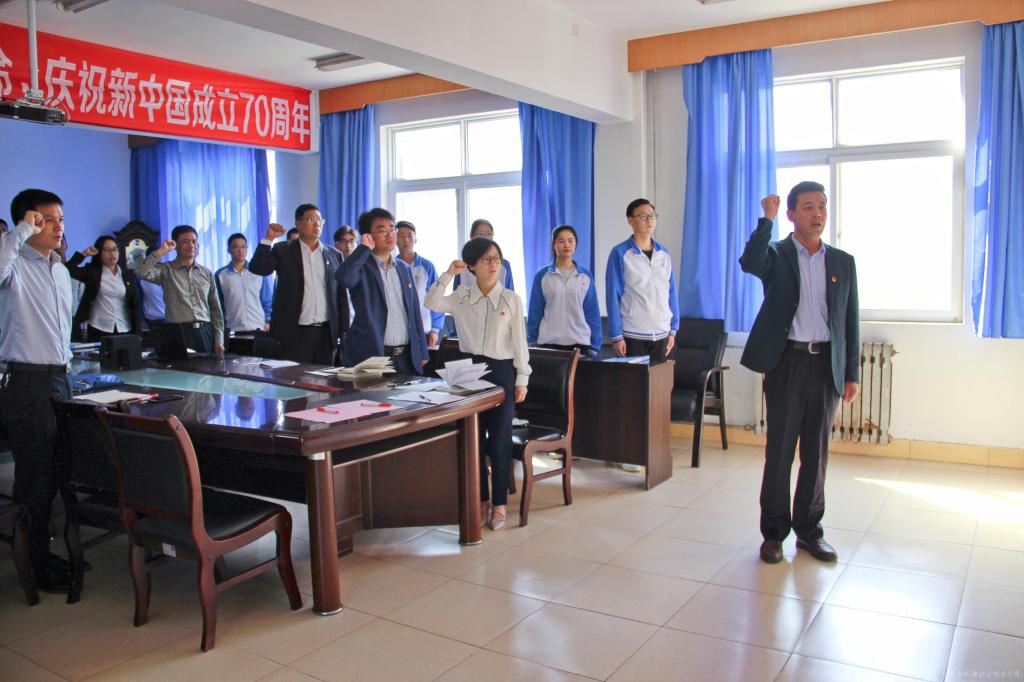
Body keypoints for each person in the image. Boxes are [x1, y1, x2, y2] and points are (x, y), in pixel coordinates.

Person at [739, 182, 860, 565]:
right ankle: (773, 534)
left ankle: (810, 531)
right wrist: (766, 220)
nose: (817, 213)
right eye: (808, 207)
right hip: (786, 363)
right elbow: (750, 262)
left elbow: (849, 321)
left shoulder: (842, 262)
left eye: (821, 205)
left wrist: (851, 372)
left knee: (816, 454)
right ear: (792, 214)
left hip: (825, 366)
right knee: (779, 453)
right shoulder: (776, 254)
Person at [425, 237, 530, 530]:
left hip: (502, 371)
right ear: (471, 266)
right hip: (469, 370)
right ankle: (480, 500)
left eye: (497, 258)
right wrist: (449, 274)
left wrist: (522, 378)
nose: (494, 264)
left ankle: (499, 504)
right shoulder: (462, 296)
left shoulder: (510, 298)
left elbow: (520, 344)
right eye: (486, 259)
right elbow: (431, 302)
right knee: (473, 437)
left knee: (499, 438)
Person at [0, 189, 75, 592]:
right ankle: (33, 564)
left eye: (60, 218)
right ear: (28, 222)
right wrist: (20, 232)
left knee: (59, 470)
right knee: (35, 476)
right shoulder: (12, 265)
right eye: (46, 219)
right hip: (26, 380)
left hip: (60, 378)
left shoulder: (60, 270)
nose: (57, 226)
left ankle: (48, 552)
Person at [249, 203, 348, 364]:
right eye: (310, 219)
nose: (317, 224)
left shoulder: (334, 254)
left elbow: (340, 295)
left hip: (326, 334)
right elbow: (258, 268)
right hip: (294, 335)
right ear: (298, 223)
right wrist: (269, 238)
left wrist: (343, 332)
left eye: (319, 220)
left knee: (324, 379)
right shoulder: (283, 250)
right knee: (294, 377)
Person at [336, 208, 428, 374]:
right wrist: (363, 248)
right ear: (368, 236)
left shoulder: (404, 268)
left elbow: (414, 311)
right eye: (382, 230)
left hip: (406, 357)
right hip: (373, 355)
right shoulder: (361, 266)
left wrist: (421, 349)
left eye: (392, 229)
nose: (390, 234)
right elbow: (344, 278)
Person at [606, 198, 679, 361]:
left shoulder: (664, 253)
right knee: (633, 378)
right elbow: (613, 296)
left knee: (661, 378)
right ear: (630, 220)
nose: (649, 220)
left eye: (653, 216)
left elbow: (671, 292)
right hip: (633, 335)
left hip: (663, 335)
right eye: (643, 216)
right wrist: (616, 336)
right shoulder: (620, 253)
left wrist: (673, 330)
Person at [135, 224, 225, 354]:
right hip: (178, 332)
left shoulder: (206, 273)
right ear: (176, 245)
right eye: (185, 242)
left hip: (204, 331)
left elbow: (216, 309)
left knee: (207, 367)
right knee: (180, 367)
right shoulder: (166, 270)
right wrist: (162, 250)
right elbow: (140, 270)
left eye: (194, 241)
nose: (191, 245)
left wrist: (219, 340)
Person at [526, 224, 602, 356]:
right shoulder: (542, 275)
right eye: (561, 241)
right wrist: (532, 340)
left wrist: (595, 345)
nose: (566, 245)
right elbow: (535, 310)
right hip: (548, 343)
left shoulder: (585, 276)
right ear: (553, 245)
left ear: (576, 244)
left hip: (580, 344)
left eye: (571, 241)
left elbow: (592, 312)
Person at [66, 235, 142, 341]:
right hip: (99, 328)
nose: (112, 253)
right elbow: (67, 269)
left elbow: (135, 305)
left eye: (114, 249)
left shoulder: (126, 274)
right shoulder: (92, 271)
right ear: (99, 253)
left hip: (124, 327)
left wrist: (138, 333)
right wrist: (84, 254)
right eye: (107, 250)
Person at [214, 232, 274, 336]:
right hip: (232, 329)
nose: (240, 250)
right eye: (235, 247)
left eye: (243, 247)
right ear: (228, 250)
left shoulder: (258, 271)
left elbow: (267, 300)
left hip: (258, 327)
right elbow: (218, 304)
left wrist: (268, 320)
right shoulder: (220, 275)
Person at [396, 220, 443, 348]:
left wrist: (435, 329)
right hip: (398, 329)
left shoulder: (427, 266)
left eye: (410, 236)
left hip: (424, 328)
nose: (406, 240)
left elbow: (436, 297)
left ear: (415, 240)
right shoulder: (391, 266)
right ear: (395, 239)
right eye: (401, 236)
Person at [454, 219, 515, 291]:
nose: (485, 238)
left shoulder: (504, 264)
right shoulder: (461, 266)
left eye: (489, 234)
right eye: (480, 234)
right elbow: (455, 294)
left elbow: (510, 292)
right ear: (471, 237)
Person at [136, 244, 166, 337]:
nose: (158, 260)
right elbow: (138, 300)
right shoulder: (141, 278)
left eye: (160, 256)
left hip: (169, 319)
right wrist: (141, 322)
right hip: (152, 320)